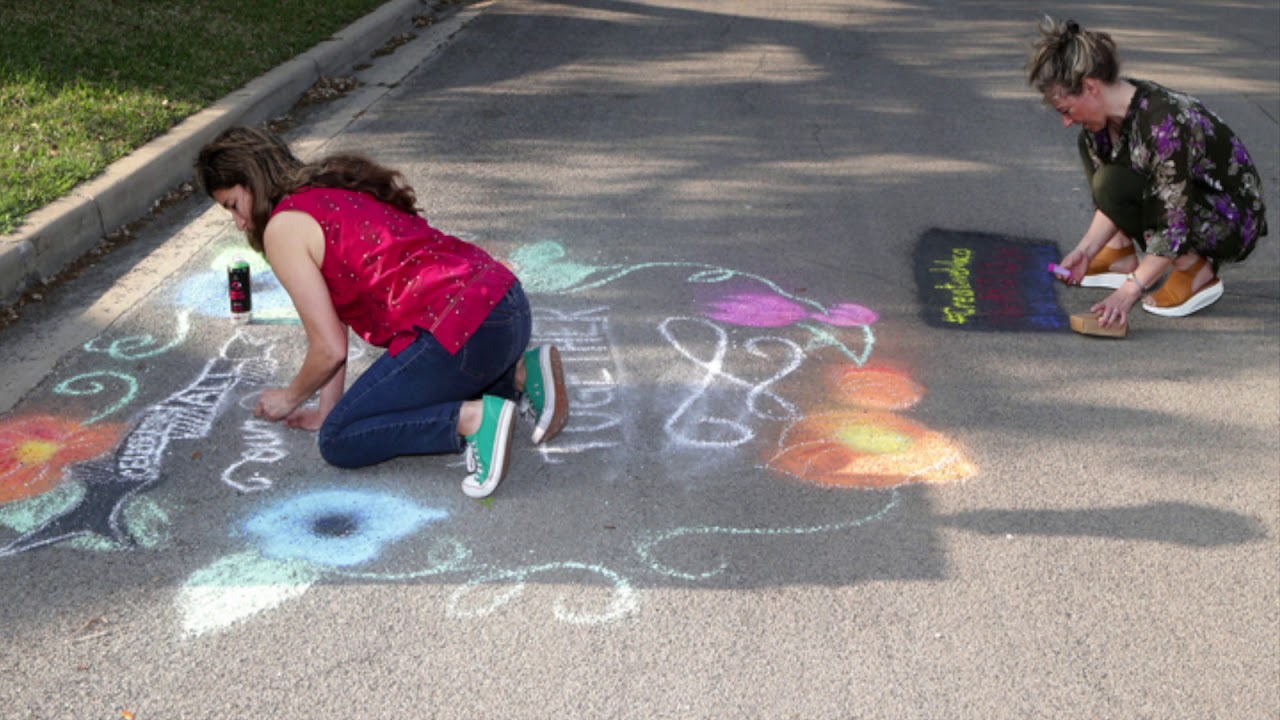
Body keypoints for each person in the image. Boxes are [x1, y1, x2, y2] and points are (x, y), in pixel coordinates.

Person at [194, 126, 569, 498]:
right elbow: (334, 324)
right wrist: (327, 408)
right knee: (361, 411)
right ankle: (521, 373)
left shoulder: (283, 229)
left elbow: (329, 349)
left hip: (459, 335)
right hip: (506, 311)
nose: (239, 223)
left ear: (253, 180)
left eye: (233, 205)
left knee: (340, 439)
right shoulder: (331, 187)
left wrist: (290, 397)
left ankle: (472, 421)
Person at [1026, 17, 1267, 330]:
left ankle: (1194, 269)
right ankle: (1118, 252)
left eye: (1066, 110)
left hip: (1230, 217)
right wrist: (1085, 251)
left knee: (1118, 180)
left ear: (1090, 87)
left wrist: (1129, 291)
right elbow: (1113, 196)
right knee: (1106, 171)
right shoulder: (1101, 124)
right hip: (1185, 203)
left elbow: (1174, 225)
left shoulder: (1162, 123)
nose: (1066, 121)